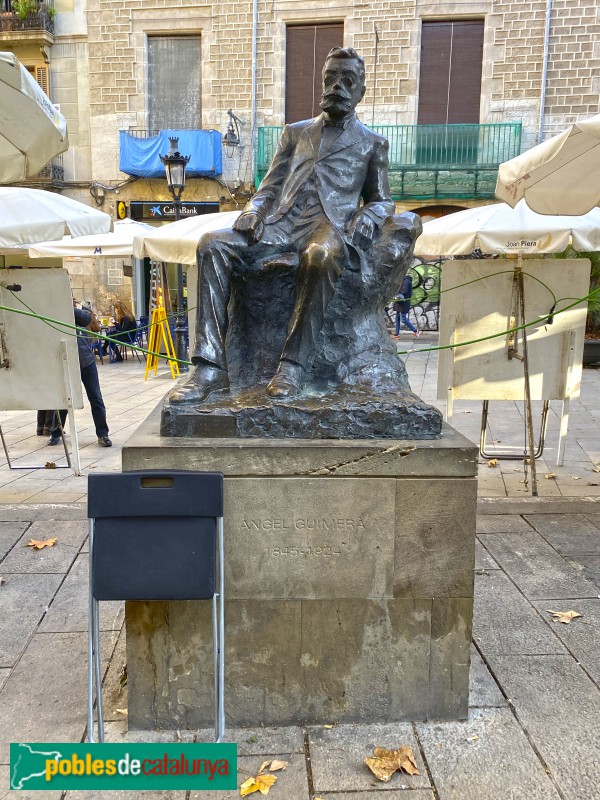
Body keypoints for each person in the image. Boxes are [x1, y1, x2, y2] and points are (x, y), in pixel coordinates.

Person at [170, 46, 395, 405]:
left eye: (347, 80)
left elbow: (383, 199)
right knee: (213, 243)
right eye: (331, 78)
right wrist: (254, 211)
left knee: (320, 255)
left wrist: (368, 216)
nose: (337, 86)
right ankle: (210, 367)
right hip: (280, 224)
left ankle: (293, 365)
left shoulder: (372, 143)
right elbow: (269, 186)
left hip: (328, 226)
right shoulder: (295, 132)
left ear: (361, 92)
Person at [48, 301, 112, 447]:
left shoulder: (74, 312)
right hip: (66, 361)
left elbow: (87, 319)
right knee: (64, 398)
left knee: (95, 397)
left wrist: (69, 308)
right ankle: (55, 432)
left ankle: (103, 434)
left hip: (86, 361)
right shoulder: (51, 313)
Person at [393, 272, 420, 338]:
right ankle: (397, 334)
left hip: (403, 303)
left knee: (403, 319)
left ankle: (416, 331)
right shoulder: (406, 280)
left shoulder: (406, 281)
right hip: (401, 303)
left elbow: (404, 291)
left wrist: (397, 293)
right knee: (397, 318)